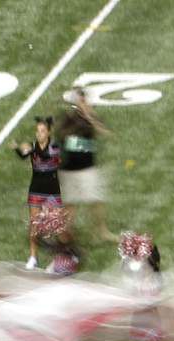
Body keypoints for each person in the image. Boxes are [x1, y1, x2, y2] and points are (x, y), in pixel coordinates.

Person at [57, 88, 116, 243]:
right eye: (81, 100)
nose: (84, 103)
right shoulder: (67, 118)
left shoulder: (91, 117)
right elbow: (64, 136)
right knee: (71, 204)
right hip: (69, 169)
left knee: (96, 200)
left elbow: (104, 132)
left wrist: (89, 116)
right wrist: (79, 120)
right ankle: (64, 235)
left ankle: (102, 231)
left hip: (88, 167)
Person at [10, 116, 61, 269]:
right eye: (37, 131)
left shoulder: (55, 147)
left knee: (55, 226)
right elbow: (23, 155)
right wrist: (17, 148)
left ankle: (57, 258)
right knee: (34, 225)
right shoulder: (32, 146)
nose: (39, 134)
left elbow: (46, 154)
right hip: (36, 189)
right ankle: (33, 257)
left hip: (52, 190)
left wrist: (30, 148)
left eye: (42, 131)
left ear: (49, 132)